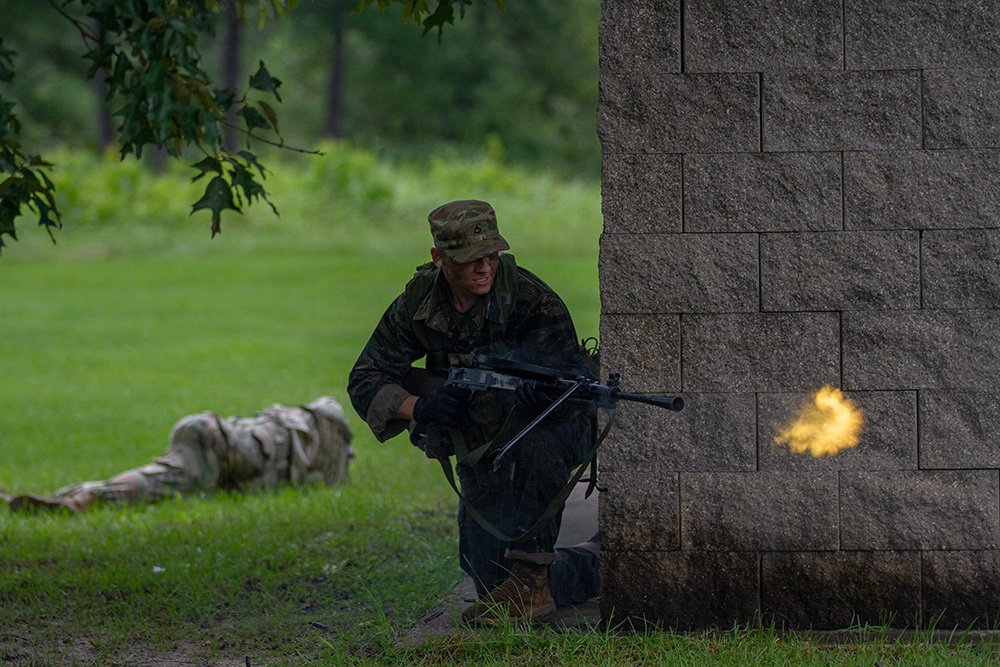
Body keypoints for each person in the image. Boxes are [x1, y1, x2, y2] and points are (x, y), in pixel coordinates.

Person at [348, 199, 600, 626]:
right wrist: (420, 407)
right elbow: (365, 376)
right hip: (484, 445)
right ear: (439, 259)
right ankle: (594, 564)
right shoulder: (419, 305)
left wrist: (542, 400)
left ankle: (534, 578)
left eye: (491, 256)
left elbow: (572, 394)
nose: (484, 268)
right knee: (490, 579)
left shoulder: (533, 301)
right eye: (470, 260)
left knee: (539, 441)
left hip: (548, 437)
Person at [4, 397, 354, 514]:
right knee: (162, 479)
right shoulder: (323, 442)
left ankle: (70, 496)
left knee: (160, 474)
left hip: (210, 432)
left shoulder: (289, 422)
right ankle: (83, 500)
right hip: (216, 442)